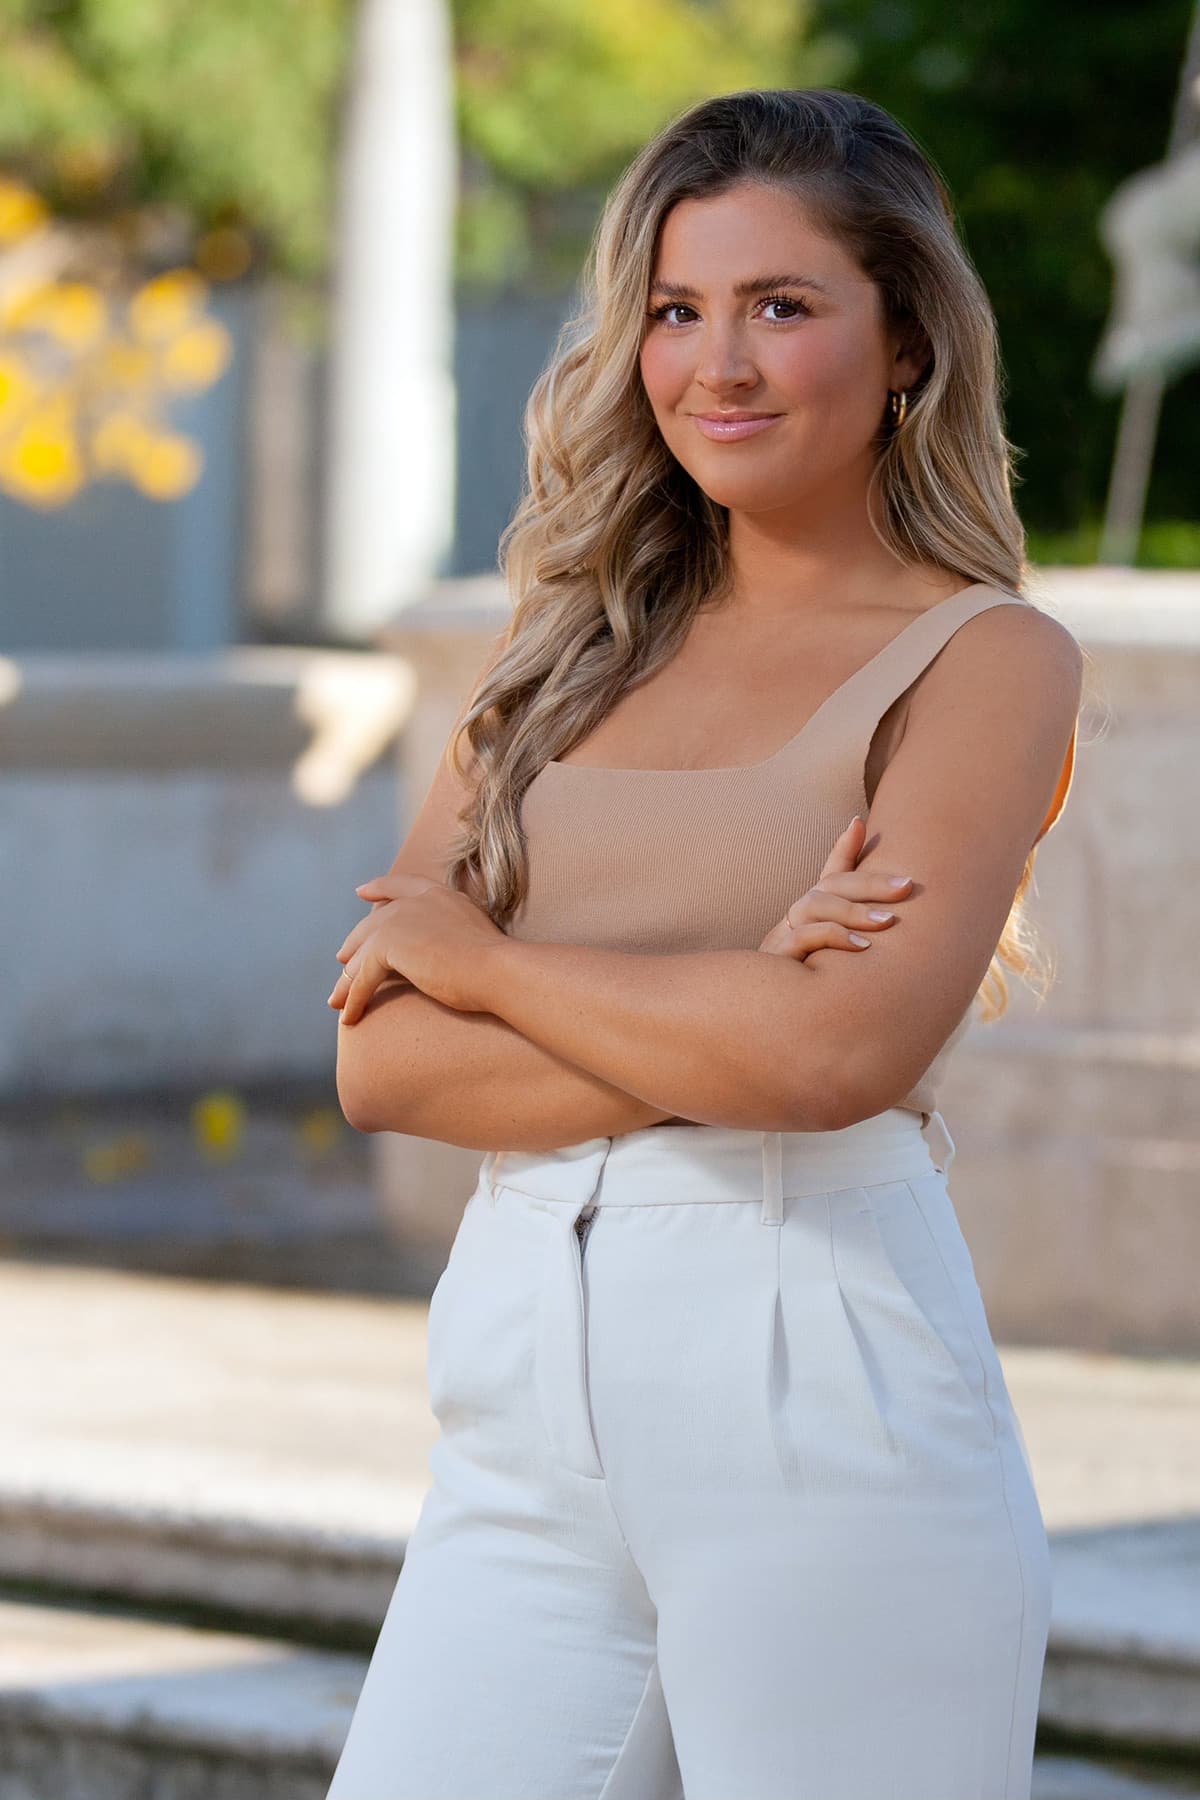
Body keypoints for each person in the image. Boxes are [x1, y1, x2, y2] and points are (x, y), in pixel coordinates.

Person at [324, 86, 1084, 1800]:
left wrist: (499, 963)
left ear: (906, 346)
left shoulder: (985, 660)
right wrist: (736, 988)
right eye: (678, 310)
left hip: (819, 1394)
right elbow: (381, 1060)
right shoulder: (555, 656)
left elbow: (833, 1059)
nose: (716, 364)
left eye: (783, 307)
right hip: (519, 1395)